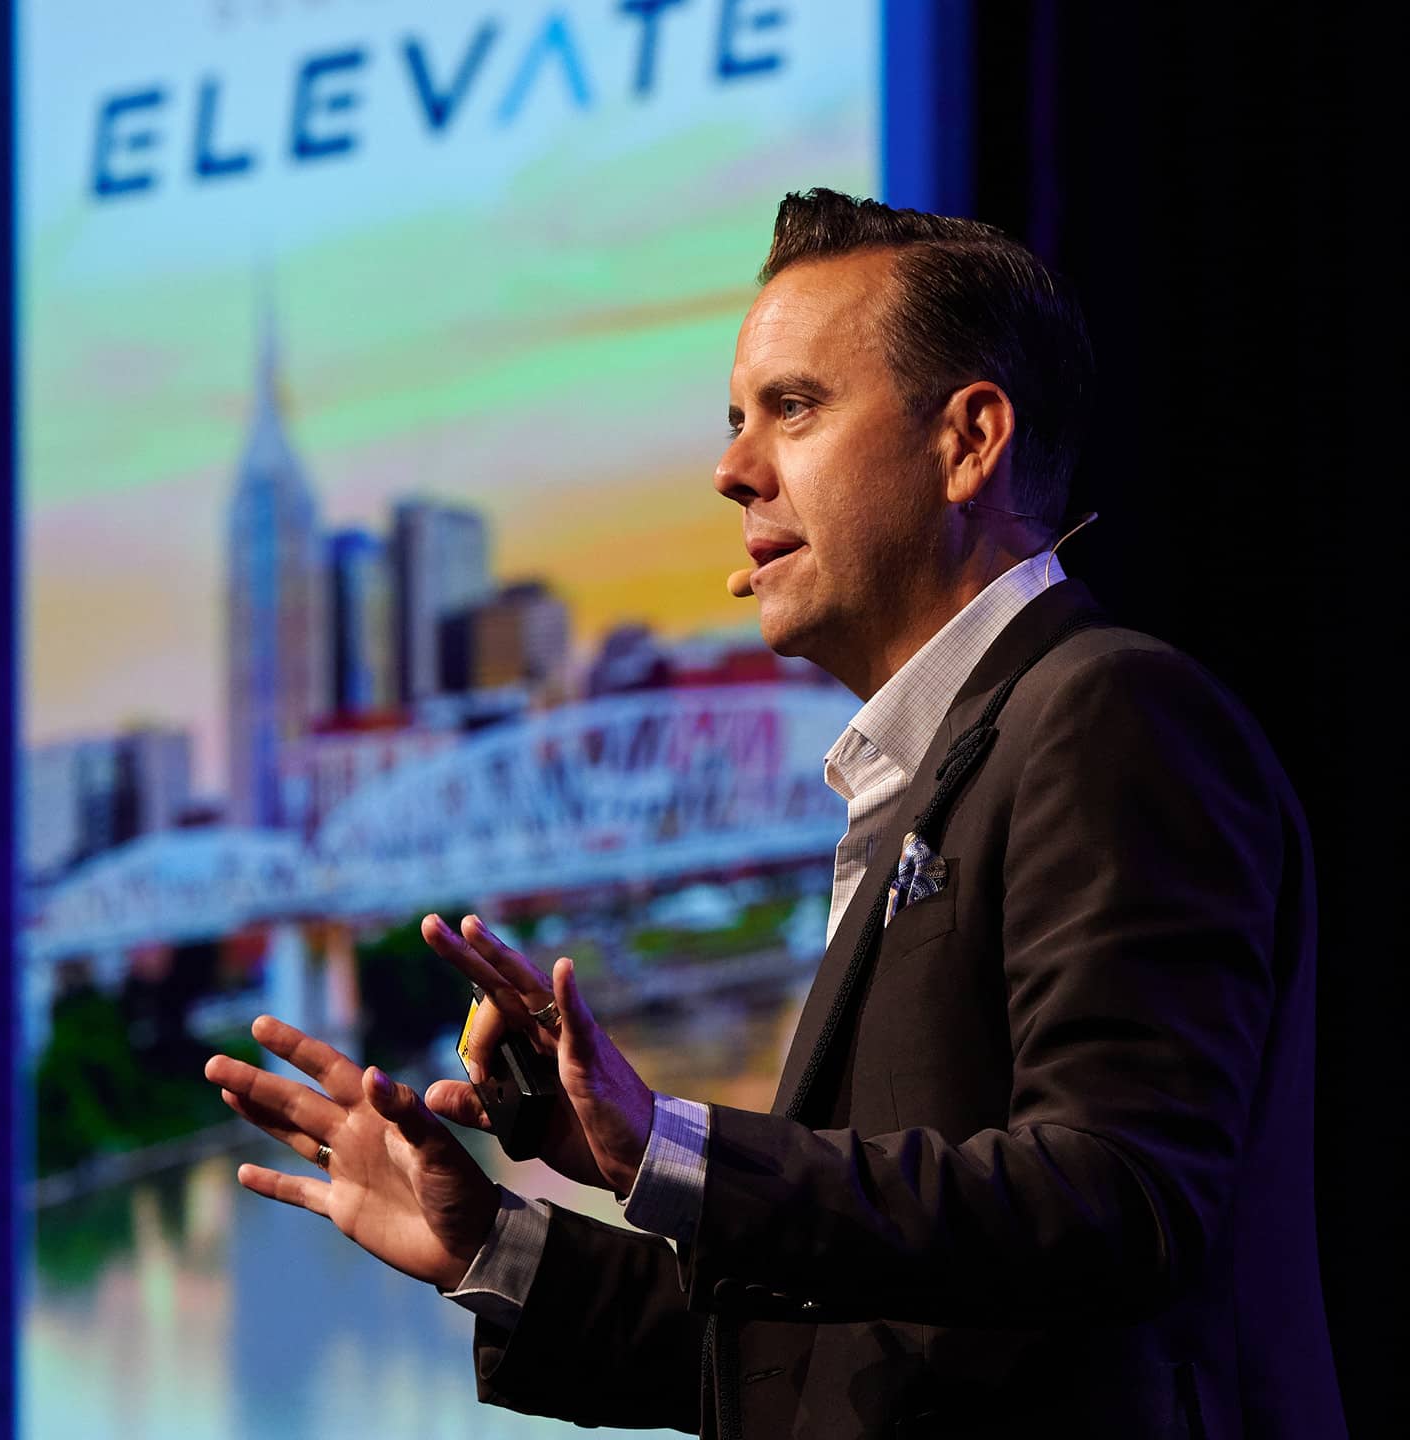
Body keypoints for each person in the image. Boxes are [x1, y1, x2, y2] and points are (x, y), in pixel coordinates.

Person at [206, 190, 1345, 1438]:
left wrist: (671, 1150)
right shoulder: (923, 775)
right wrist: (493, 1241)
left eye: (793, 409)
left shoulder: (1109, 712)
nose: (732, 470)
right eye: (737, 420)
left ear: (969, 442)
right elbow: (811, 1364)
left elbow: (1119, 1201)